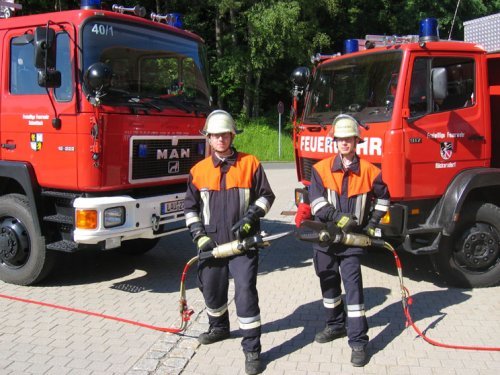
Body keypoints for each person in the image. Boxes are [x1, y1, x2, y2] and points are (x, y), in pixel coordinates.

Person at [184, 110, 275, 375]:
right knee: (210, 288)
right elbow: (190, 209)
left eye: (225, 134)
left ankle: (252, 350)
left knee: (245, 292)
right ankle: (219, 327)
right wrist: (199, 236)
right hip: (210, 242)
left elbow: (266, 196)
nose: (221, 139)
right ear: (209, 139)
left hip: (243, 243)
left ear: (232, 135)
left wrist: (251, 217)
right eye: (216, 135)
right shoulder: (198, 171)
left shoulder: (250, 163)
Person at [295, 114, 390, 367]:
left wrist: (371, 225)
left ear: (356, 141)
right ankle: (335, 324)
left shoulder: (371, 171)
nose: (344, 143)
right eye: (340, 139)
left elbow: (383, 199)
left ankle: (358, 341)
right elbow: (316, 202)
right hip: (325, 238)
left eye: (349, 138)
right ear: (334, 141)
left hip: (353, 240)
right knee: (328, 283)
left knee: (354, 287)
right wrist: (338, 217)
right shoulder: (320, 169)